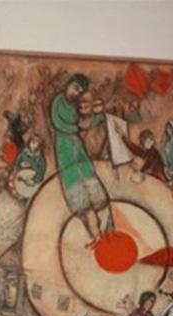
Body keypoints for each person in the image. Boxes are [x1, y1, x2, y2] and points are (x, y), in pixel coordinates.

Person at [50, 73, 113, 246]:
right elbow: (58, 123)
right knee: (81, 201)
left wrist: (99, 116)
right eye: (75, 88)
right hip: (65, 151)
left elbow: (86, 121)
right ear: (69, 85)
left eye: (80, 91)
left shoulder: (76, 106)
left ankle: (107, 231)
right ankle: (96, 235)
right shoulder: (58, 101)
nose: (76, 93)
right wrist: (76, 127)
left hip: (78, 149)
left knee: (95, 192)